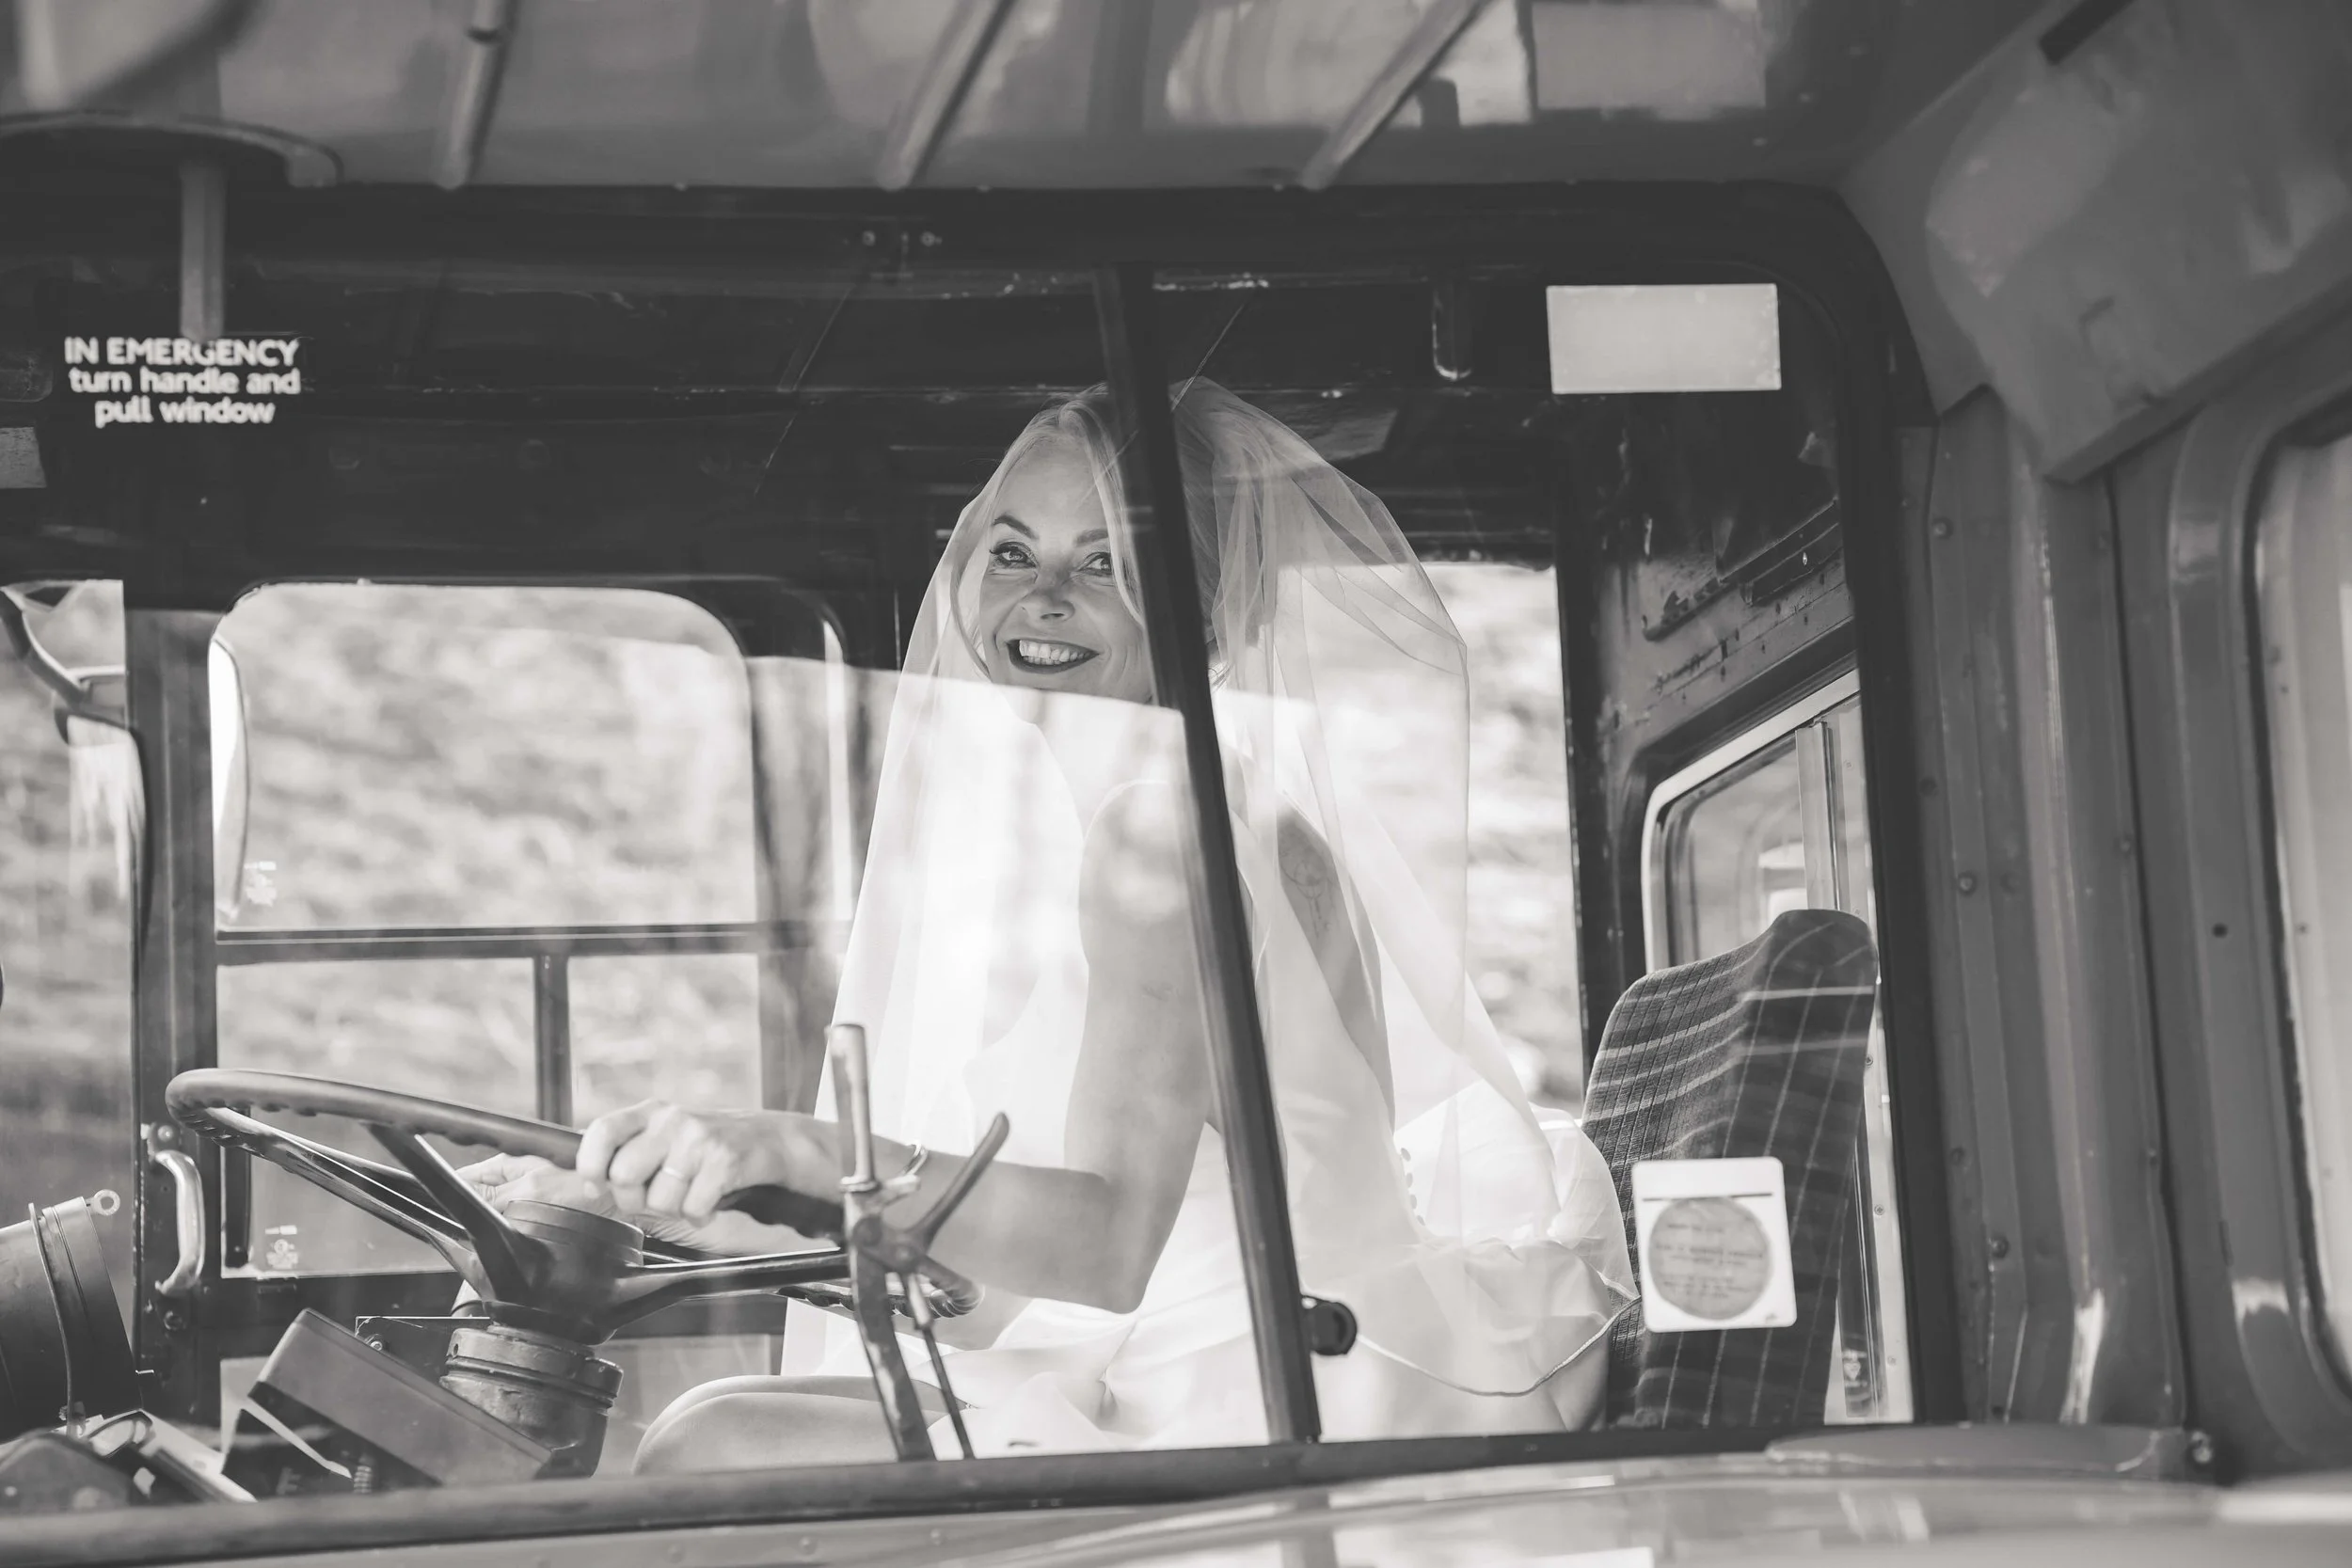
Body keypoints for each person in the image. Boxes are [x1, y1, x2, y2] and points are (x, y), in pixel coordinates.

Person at [474, 381, 1632, 1466]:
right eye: (1013, 552)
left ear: (1208, 612)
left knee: (703, 1450)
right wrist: (665, 1195)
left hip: (1256, 1388)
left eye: (1107, 565)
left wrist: (791, 1145)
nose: (1043, 598)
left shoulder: (1159, 830)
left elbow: (1111, 1242)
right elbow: (1052, 1251)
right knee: (711, 1414)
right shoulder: (1148, 816)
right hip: (1183, 1348)